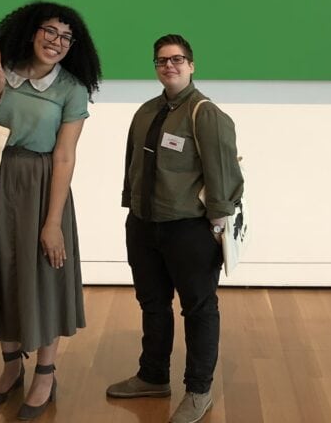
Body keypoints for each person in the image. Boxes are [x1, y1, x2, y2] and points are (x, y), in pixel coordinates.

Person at [0, 0, 101, 420]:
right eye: (50, 31)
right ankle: (10, 370)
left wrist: (53, 222)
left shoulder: (71, 89)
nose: (57, 42)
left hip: (43, 187)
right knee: (0, 273)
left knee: (43, 277)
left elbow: (64, 157)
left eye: (65, 36)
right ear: (30, 31)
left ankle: (44, 373)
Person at [107, 34, 244, 423]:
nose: (170, 65)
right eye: (162, 60)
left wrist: (218, 219)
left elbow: (224, 172)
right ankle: (153, 376)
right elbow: (132, 163)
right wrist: (130, 203)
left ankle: (198, 391)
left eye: (178, 59)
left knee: (198, 308)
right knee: (152, 304)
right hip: (144, 225)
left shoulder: (206, 113)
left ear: (192, 64)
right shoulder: (146, 112)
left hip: (190, 230)